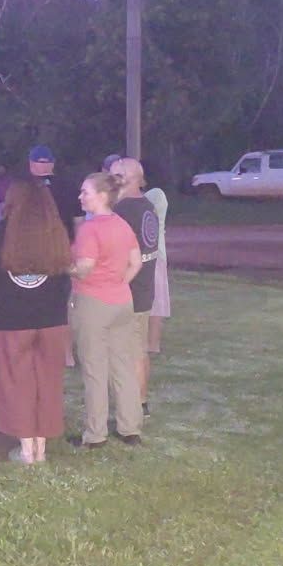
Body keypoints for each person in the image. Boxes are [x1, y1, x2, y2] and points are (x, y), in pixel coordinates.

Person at [0, 179, 72, 464]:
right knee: (48, 381)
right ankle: (40, 447)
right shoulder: (58, 233)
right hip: (52, 318)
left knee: (15, 381)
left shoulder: (0, 233)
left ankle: (26, 449)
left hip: (11, 319)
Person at [67, 172, 144, 448]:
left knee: (94, 369)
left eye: (85, 192)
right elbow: (136, 262)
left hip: (93, 304)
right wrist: (119, 283)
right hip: (122, 302)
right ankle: (129, 428)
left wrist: (62, 267)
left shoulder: (90, 228)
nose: (80, 197)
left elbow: (85, 267)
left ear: (101, 196)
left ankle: (95, 434)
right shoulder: (121, 224)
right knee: (123, 365)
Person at [110, 157, 162, 416]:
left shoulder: (123, 211)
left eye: (113, 176)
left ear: (124, 178)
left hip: (127, 291)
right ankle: (141, 402)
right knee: (139, 351)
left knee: (127, 353)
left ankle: (132, 407)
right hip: (143, 290)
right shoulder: (146, 205)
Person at [27, 144, 82, 237]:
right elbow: (79, 220)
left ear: (31, 163)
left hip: (33, 244)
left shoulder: (24, 188)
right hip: (65, 243)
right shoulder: (70, 186)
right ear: (52, 164)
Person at [145, 176, 170, 362]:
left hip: (154, 254)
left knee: (156, 302)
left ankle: (153, 345)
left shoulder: (155, 195)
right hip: (148, 254)